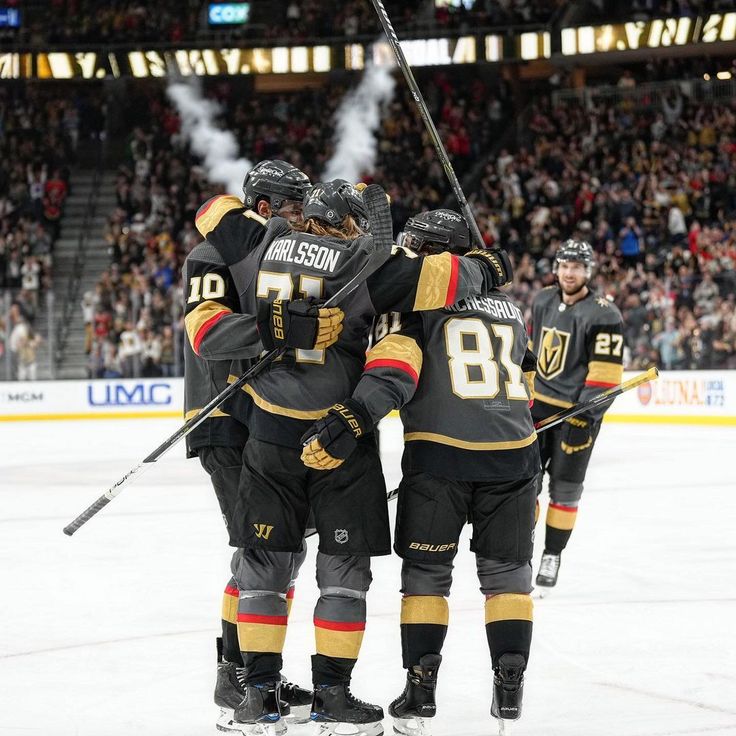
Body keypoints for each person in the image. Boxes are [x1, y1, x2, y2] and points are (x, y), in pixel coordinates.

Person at [195, 181, 515, 736]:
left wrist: (271, 322)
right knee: (342, 576)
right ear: (347, 223)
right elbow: (442, 278)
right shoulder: (367, 263)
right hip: (339, 436)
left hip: (267, 433)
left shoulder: (259, 241)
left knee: (264, 570)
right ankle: (332, 698)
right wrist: (487, 267)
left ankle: (259, 699)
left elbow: (211, 213)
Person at [300, 209, 539, 735]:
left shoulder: (414, 301)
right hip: (518, 453)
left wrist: (356, 415)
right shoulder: (510, 307)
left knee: (427, 577)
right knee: (507, 580)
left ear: (429, 250)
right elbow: (528, 373)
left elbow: (394, 372)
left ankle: (421, 693)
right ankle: (510, 686)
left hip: (440, 455)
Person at [183, 160, 329, 731]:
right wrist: (280, 328)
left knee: (283, 550)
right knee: (258, 550)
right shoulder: (213, 255)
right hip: (223, 417)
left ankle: (247, 668)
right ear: (265, 208)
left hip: (261, 416)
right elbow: (209, 336)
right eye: (293, 208)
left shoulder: (275, 252)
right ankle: (235, 674)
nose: (302, 220)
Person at [529, 239, 624, 591]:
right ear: (557, 268)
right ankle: (523, 549)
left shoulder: (604, 313)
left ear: (588, 271)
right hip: (537, 411)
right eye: (565, 265)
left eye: (577, 267)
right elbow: (533, 353)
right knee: (526, 486)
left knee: (565, 491)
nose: (570, 272)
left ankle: (552, 553)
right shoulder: (542, 300)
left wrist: (586, 414)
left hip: (577, 416)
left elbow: (606, 375)